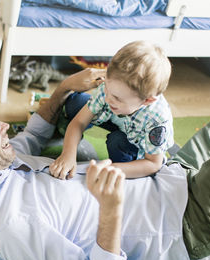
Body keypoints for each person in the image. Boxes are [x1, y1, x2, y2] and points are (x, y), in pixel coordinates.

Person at [0, 68, 210, 260]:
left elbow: (35, 132)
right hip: (182, 222)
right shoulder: (12, 226)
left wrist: (65, 87)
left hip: (169, 175)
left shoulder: (0, 163)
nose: (5, 126)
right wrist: (111, 210)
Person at [50, 40, 173, 179]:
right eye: (107, 88)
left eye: (117, 98)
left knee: (117, 141)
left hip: (135, 141)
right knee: (75, 103)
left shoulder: (157, 121)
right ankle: (66, 134)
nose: (108, 99)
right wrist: (68, 154)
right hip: (117, 118)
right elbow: (79, 122)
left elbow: (153, 164)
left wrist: (112, 169)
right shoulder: (111, 90)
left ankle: (122, 166)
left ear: (147, 100)